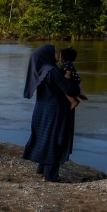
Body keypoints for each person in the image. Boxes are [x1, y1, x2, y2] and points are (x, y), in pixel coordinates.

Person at [22, 44, 81, 182]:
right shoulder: (53, 71)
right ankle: (51, 176)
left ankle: (42, 170)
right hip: (55, 112)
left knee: (46, 139)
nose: (57, 55)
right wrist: (77, 85)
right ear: (47, 55)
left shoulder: (41, 70)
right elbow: (70, 89)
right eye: (55, 52)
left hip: (42, 110)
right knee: (55, 141)